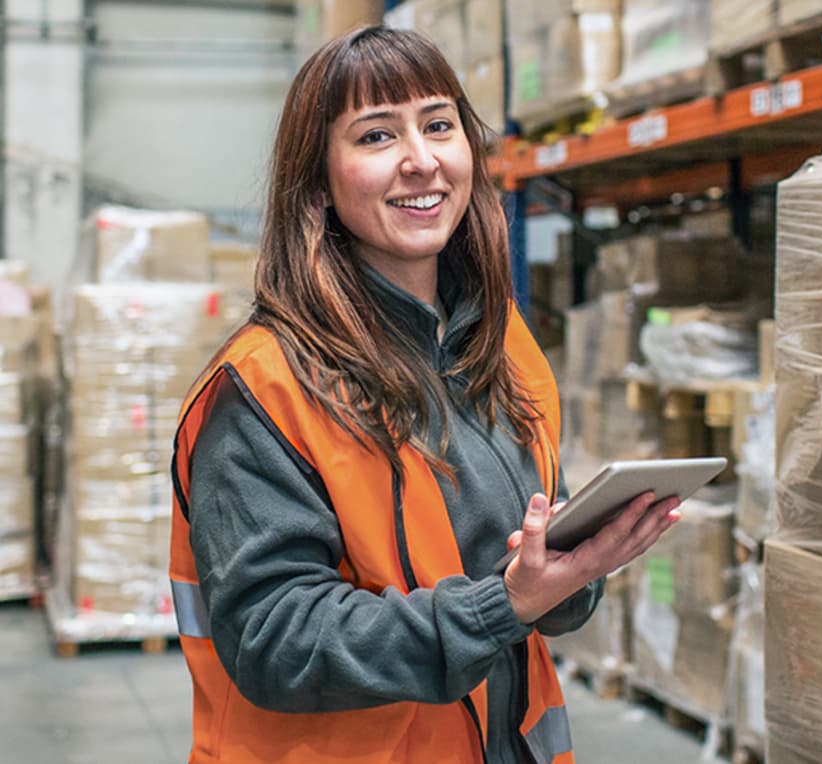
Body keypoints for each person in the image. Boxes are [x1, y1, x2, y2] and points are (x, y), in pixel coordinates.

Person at [168, 25, 681, 764]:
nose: (422, 161)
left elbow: (529, 568)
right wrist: (506, 603)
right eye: (377, 136)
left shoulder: (501, 345)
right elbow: (274, 641)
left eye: (439, 125)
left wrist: (575, 568)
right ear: (317, 180)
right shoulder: (262, 388)